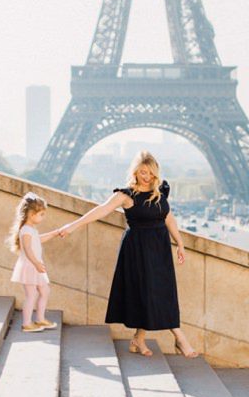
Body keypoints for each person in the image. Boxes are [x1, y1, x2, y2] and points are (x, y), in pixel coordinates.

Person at [59, 151, 198, 358]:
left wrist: (180, 243)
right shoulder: (126, 195)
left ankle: (138, 339)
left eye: (151, 173)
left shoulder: (159, 192)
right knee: (149, 291)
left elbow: (168, 217)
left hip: (159, 250)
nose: (147, 177)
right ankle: (180, 338)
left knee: (159, 293)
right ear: (135, 172)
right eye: (143, 172)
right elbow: (102, 210)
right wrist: (73, 225)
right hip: (138, 251)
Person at [8, 192, 60, 332]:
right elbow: (28, 249)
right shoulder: (25, 230)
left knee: (44, 291)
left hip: (35, 266)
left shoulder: (31, 229)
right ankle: (26, 323)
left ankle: (40, 318)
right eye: (41, 214)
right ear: (31, 214)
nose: (43, 217)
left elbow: (38, 239)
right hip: (30, 266)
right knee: (32, 295)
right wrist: (36, 263)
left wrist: (53, 233)